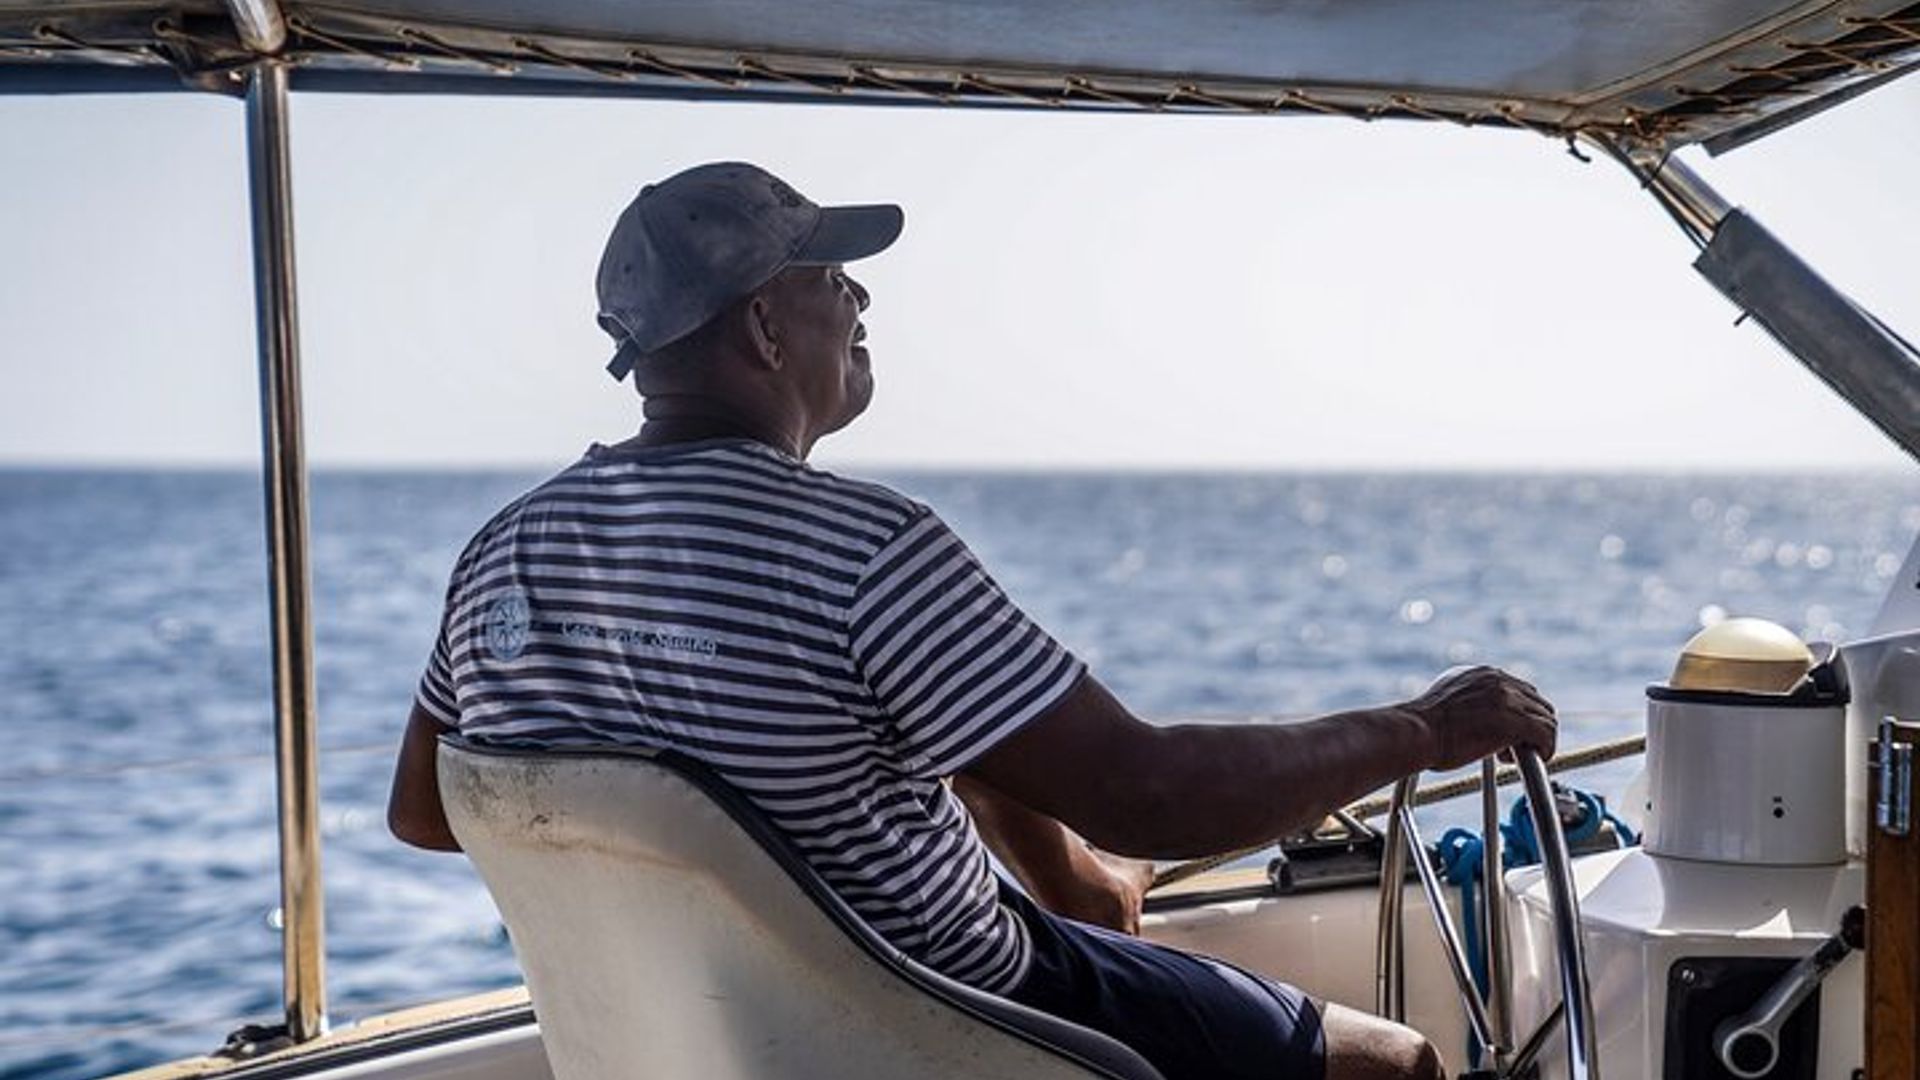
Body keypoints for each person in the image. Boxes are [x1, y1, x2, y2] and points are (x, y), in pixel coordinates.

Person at [387, 161, 1558, 1080]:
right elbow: (1151, 796)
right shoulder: (857, 550)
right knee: (1393, 1063)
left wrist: (1047, 870)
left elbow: (429, 812)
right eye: (828, 277)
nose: (858, 296)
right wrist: (1422, 728)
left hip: (695, 1037)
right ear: (761, 330)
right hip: (955, 1011)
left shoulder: (505, 548)